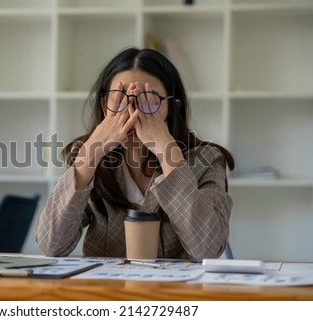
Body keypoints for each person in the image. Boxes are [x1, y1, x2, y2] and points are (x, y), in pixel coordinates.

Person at [35, 47, 234, 261]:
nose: (132, 112)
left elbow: (207, 250)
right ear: (104, 106)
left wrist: (168, 154)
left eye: (147, 99)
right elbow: (51, 246)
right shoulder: (88, 156)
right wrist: (89, 155)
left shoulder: (207, 160)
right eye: (120, 99)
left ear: (173, 108)